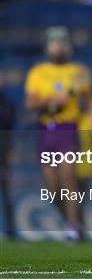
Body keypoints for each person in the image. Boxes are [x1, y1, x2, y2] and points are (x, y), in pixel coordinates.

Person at [24, 26, 92, 242]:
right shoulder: (37, 72)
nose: (57, 46)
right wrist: (51, 101)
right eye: (53, 42)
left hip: (67, 129)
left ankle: (73, 227)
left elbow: (89, 99)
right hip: (45, 129)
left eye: (61, 42)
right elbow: (30, 102)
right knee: (52, 186)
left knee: (67, 176)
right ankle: (72, 220)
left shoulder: (77, 71)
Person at [0, 73, 16, 238]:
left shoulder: (6, 104)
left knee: (5, 192)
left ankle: (10, 231)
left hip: (2, 152)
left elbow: (9, 120)